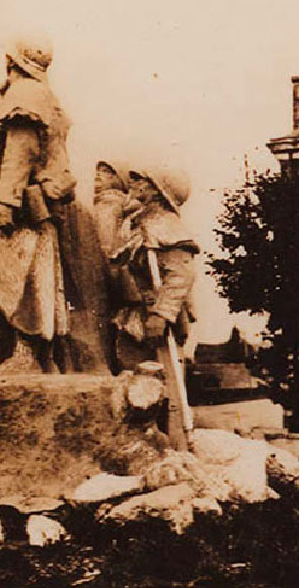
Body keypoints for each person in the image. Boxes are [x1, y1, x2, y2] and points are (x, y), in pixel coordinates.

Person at [0, 36, 77, 374]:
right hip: (39, 201)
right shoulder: (47, 97)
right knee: (39, 274)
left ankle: (27, 356)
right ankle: (43, 358)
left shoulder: (24, 95)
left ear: (12, 62)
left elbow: (21, 150)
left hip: (21, 201)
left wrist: (5, 199)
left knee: (19, 276)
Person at [107, 166, 197, 444]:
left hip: (159, 320)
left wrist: (161, 314)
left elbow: (181, 274)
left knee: (166, 388)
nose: (133, 183)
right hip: (136, 315)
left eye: (141, 180)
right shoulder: (139, 222)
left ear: (157, 190)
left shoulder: (165, 224)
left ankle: (178, 446)